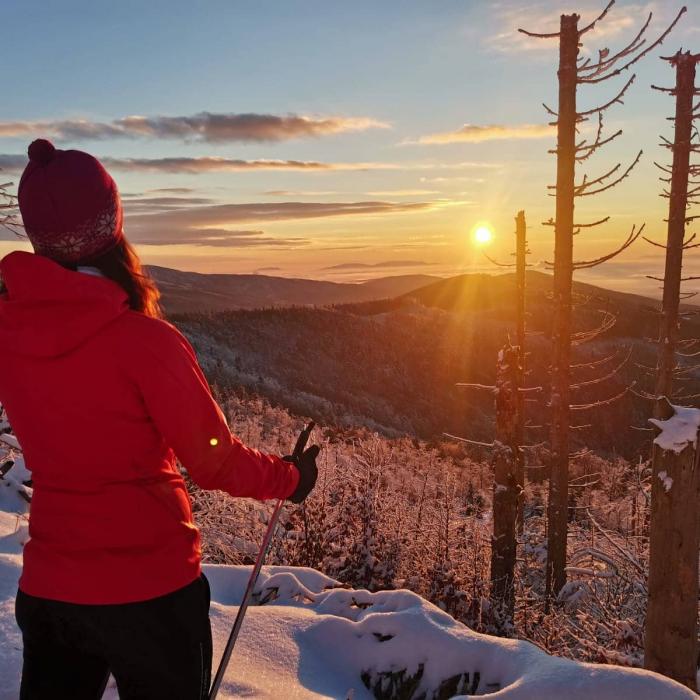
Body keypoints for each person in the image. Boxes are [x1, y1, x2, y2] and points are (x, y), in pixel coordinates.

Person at [0, 139, 320, 700]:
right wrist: (289, 479)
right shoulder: (145, 343)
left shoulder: (8, 335)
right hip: (151, 595)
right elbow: (214, 459)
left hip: (52, 589)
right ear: (111, 222)